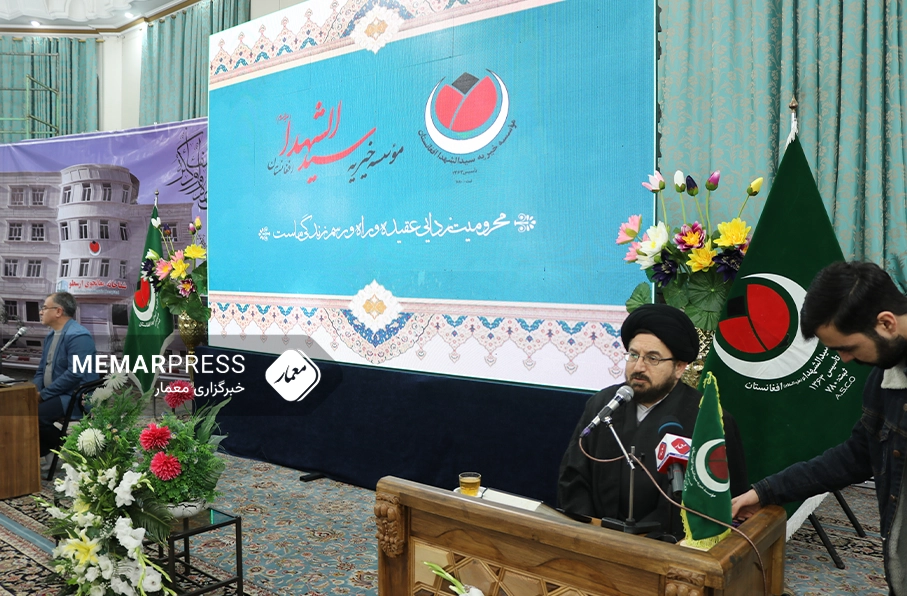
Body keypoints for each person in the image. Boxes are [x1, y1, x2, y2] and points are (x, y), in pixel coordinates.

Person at [731, 261, 907, 595]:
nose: (844, 359)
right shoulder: (882, 379)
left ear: (886, 323)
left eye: (847, 348)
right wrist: (765, 492)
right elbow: (856, 456)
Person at [558, 303, 748, 539]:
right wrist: (587, 531)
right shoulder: (602, 405)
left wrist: (645, 542)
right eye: (633, 355)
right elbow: (573, 477)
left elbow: (719, 503)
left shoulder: (709, 421)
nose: (638, 367)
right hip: (594, 539)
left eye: (652, 358)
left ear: (679, 368)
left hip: (667, 548)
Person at [33, 291, 98, 458]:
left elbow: (75, 374)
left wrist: (43, 395)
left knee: (35, 416)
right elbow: (41, 370)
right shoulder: (51, 336)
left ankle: (70, 450)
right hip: (54, 394)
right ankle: (38, 459)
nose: (40, 312)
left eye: (44, 308)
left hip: (73, 396)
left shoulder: (79, 336)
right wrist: (34, 391)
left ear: (58, 311)